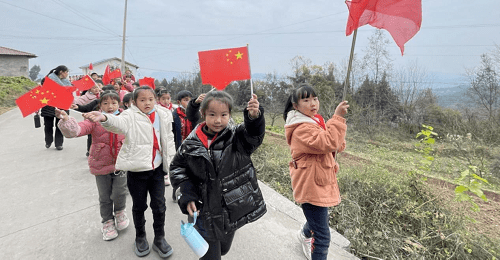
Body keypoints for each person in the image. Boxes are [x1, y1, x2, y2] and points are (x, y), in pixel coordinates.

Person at [170, 91, 267, 260]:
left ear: (230, 115)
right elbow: (177, 167)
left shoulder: (237, 138)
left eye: (223, 115)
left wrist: (254, 118)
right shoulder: (191, 143)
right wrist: (185, 190)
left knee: (223, 249)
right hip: (203, 210)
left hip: (230, 210)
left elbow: (253, 137)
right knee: (211, 255)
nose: (218, 120)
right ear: (203, 114)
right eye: (212, 114)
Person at [84, 86, 175, 258]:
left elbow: (169, 139)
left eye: (150, 99)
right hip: (137, 170)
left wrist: (173, 162)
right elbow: (118, 124)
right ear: (134, 102)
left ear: (155, 99)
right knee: (139, 206)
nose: (147, 103)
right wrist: (104, 117)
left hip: (157, 170)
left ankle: (160, 238)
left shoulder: (164, 114)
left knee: (159, 206)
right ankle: (140, 237)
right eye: (142, 100)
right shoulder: (129, 115)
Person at [283, 84, 349, 260]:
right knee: (323, 236)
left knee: (318, 220)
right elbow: (327, 143)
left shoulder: (314, 121)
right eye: (306, 100)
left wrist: (335, 132)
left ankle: (304, 234)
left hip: (319, 181)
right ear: (295, 106)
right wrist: (337, 119)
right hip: (311, 185)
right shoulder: (301, 128)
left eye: (315, 98)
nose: (313, 103)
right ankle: (308, 237)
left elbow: (334, 145)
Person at [56, 91, 129, 241]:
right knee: (104, 197)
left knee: (120, 192)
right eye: (106, 103)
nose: (110, 106)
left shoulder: (125, 118)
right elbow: (76, 131)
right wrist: (66, 120)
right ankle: (107, 222)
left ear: (119, 104)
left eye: (114, 103)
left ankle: (120, 212)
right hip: (101, 164)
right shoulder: (94, 120)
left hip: (121, 164)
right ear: (100, 105)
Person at [40, 65, 72, 150]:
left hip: (62, 106)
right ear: (61, 72)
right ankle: (48, 141)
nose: (67, 74)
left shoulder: (66, 82)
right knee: (48, 126)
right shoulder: (47, 79)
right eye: (66, 72)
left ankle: (59, 144)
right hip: (49, 106)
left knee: (60, 126)